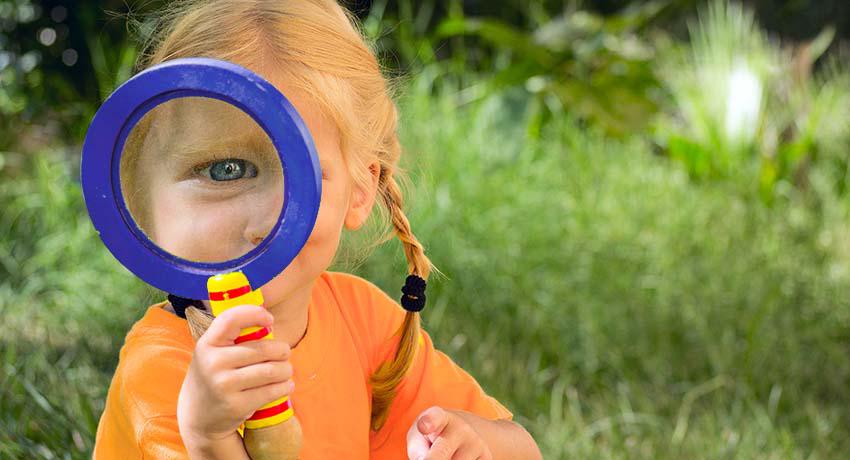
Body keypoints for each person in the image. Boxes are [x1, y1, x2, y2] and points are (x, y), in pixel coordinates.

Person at [94, 1, 542, 459]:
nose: (265, 222)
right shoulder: (162, 370)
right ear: (141, 200)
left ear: (360, 190)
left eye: (301, 171)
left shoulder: (362, 320)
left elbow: (524, 450)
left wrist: (473, 439)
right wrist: (209, 439)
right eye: (226, 169)